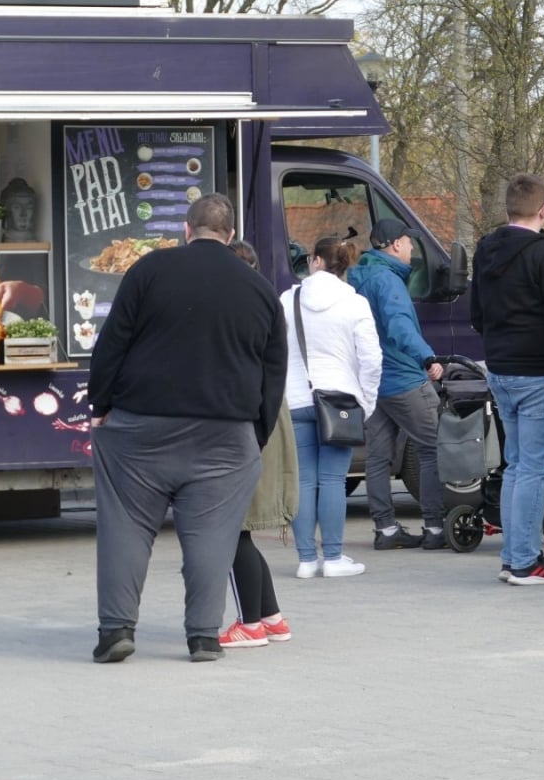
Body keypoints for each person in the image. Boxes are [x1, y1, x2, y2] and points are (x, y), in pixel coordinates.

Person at [88, 194, 286, 664]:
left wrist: (101, 404)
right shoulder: (259, 289)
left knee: (125, 529)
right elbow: (273, 370)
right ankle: (202, 636)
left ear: (186, 229)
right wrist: (253, 434)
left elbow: (112, 343)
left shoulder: (149, 271)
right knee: (212, 537)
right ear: (231, 234)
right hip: (225, 435)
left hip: (141, 430)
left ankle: (116, 629)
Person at [469, 173, 544, 585]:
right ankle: (525, 561)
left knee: (517, 465)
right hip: (543, 371)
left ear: (507, 209)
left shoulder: (486, 250)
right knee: (534, 468)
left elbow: (476, 312)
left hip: (501, 368)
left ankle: (513, 556)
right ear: (543, 209)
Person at [280, 235, 382, 578]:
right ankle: (335, 558)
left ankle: (306, 560)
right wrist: (366, 401)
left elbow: (274, 352)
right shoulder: (355, 303)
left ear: (316, 261)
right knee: (333, 480)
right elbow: (371, 359)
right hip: (340, 400)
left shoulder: (287, 300)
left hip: (296, 399)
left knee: (304, 482)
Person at [349, 217, 448, 551]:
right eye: (408, 242)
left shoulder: (359, 278)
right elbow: (399, 328)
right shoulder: (388, 282)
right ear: (394, 245)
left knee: (377, 457)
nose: (410, 249)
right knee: (432, 449)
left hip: (373, 383)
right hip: (404, 379)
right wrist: (428, 357)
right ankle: (435, 528)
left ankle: (386, 529)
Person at [218, 240, 299, 647]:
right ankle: (270, 615)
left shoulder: (239, 311)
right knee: (241, 530)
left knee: (233, 528)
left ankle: (249, 624)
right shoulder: (266, 302)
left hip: (249, 425)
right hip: (270, 417)